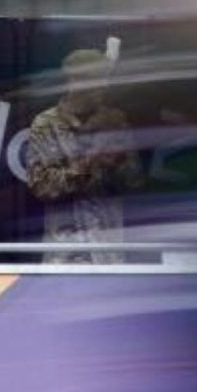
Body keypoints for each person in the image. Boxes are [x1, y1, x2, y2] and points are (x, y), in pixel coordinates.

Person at [26, 47, 143, 263]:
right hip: (65, 253)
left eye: (103, 81)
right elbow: (42, 187)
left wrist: (117, 162)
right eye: (93, 81)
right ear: (73, 82)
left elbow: (133, 182)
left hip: (108, 253)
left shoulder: (115, 121)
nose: (101, 88)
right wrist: (89, 161)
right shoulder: (46, 125)